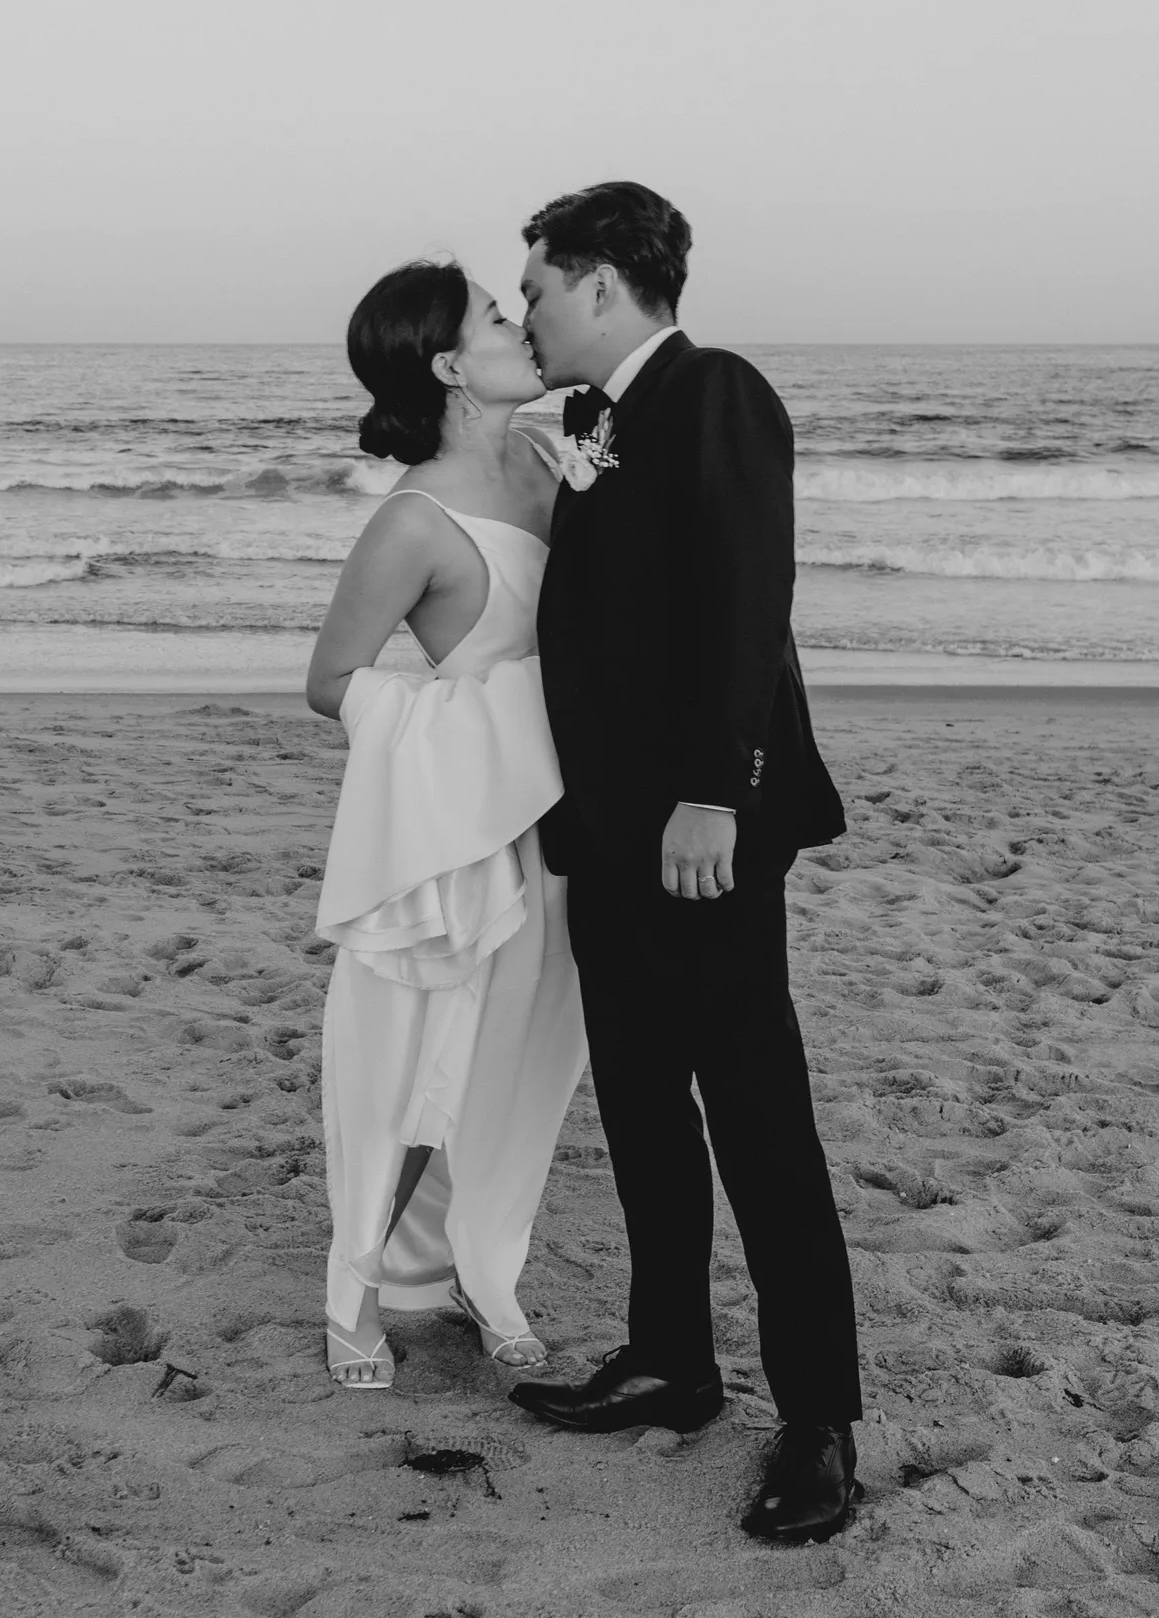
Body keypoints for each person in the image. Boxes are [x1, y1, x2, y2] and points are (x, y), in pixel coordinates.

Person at [508, 181, 863, 1544]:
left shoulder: (713, 391)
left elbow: (746, 595)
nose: (528, 315)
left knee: (757, 1117)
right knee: (643, 1108)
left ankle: (817, 1418)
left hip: (699, 834)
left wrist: (718, 790)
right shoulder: (596, 424)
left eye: (537, 289)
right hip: (609, 837)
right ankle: (670, 1359)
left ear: (601, 282)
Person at [306, 260, 587, 1390]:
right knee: (415, 1062)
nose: (523, 326)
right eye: (497, 316)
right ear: (449, 366)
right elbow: (332, 682)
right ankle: (358, 1288)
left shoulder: (551, 459)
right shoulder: (412, 521)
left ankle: (480, 1270)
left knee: (518, 1066)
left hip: (564, 814)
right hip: (465, 827)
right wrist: (494, 715)